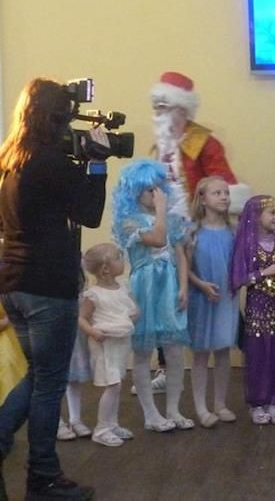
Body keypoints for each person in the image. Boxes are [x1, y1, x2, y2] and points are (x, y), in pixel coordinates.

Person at [0, 77, 109, 500]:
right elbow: (90, 213)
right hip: (48, 285)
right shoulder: (51, 162)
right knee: (49, 383)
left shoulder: (10, 158)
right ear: (57, 116)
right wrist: (97, 164)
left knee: (38, 374)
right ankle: (43, 477)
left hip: (14, 283)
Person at [112, 159, 192, 432]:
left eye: (159, 187)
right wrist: (160, 210)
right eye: (150, 189)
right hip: (145, 288)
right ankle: (151, 414)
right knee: (143, 352)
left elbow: (179, 254)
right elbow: (158, 239)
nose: (157, 193)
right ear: (135, 192)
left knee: (175, 351)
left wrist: (183, 286)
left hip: (168, 286)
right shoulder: (128, 221)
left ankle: (173, 409)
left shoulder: (169, 218)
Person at [150, 71, 250, 218]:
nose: (157, 112)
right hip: (164, 222)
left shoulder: (205, 143)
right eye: (155, 106)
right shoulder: (163, 142)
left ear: (181, 110)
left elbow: (224, 189)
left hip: (197, 223)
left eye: (162, 106)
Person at [231, 194, 275, 425]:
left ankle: (274, 402)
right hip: (257, 312)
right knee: (258, 357)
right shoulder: (247, 245)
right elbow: (239, 278)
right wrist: (263, 273)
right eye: (271, 213)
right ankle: (257, 403)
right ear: (256, 216)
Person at [186, 176, 240, 427]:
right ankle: (201, 407)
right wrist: (201, 285)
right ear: (203, 198)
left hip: (226, 298)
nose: (224, 197)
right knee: (200, 353)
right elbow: (184, 267)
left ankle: (220, 403)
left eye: (226, 193)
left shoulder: (233, 231)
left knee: (222, 351)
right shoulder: (193, 232)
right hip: (201, 297)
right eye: (217, 193)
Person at [78, 243, 138, 447]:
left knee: (117, 384)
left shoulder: (123, 288)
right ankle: (101, 428)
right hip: (103, 343)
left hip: (120, 343)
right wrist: (93, 332)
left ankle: (112, 424)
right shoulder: (93, 294)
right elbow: (81, 318)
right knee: (113, 385)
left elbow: (132, 310)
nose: (122, 260)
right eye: (118, 257)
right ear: (105, 268)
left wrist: (132, 317)